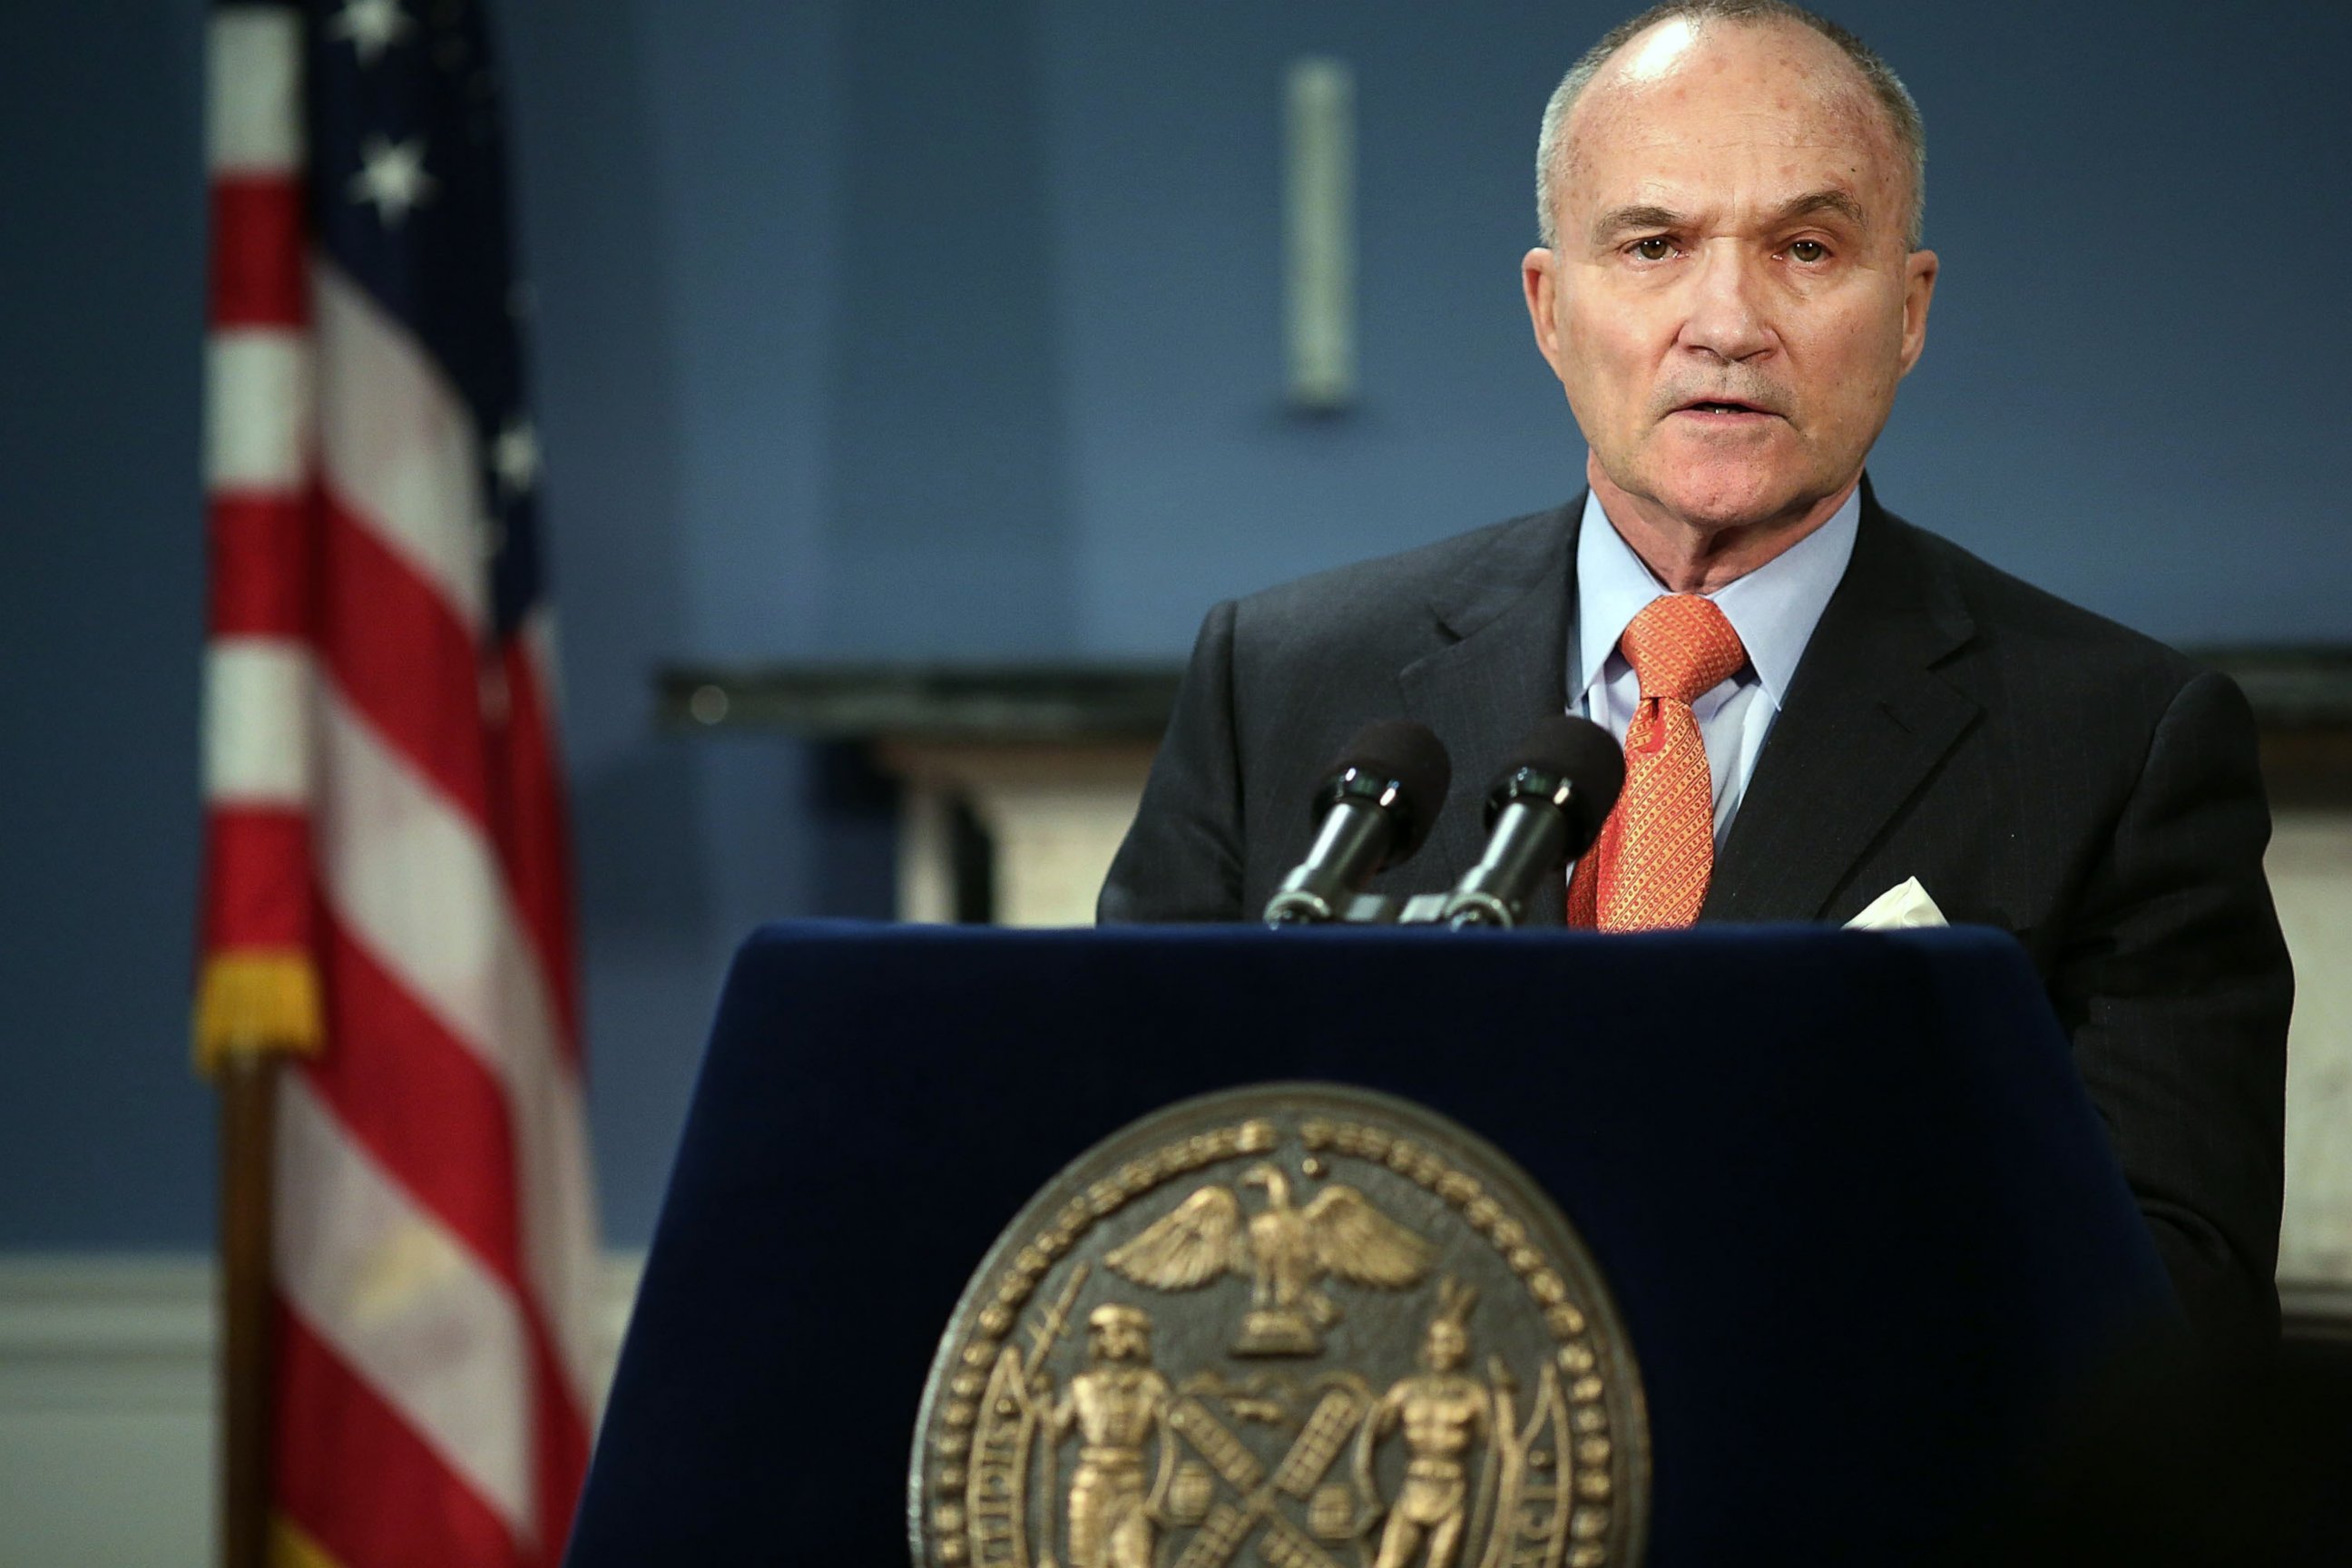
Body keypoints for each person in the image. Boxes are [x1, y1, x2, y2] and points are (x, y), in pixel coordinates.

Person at [1098, 0, 2291, 1351]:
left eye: (1805, 247)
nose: (1727, 321)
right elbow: (1110, 1182)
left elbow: (2173, 1310)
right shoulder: (1285, 682)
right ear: (1552, 308)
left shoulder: (2118, 744)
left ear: (1907, 311)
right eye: (1655, 246)